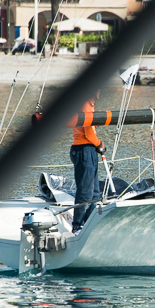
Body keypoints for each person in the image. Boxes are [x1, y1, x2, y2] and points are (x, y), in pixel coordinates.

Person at [70, 91, 104, 232]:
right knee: (85, 192)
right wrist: (100, 144)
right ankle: (77, 226)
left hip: (89, 149)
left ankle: (90, 224)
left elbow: (89, 128)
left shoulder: (90, 105)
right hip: (84, 149)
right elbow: (88, 133)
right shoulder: (85, 104)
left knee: (95, 192)